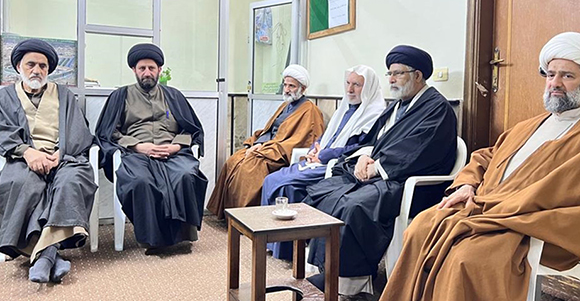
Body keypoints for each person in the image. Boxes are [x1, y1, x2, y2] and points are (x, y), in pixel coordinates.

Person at [372, 32, 580, 301]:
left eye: (567, 76)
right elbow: (485, 157)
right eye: (551, 75)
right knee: (422, 226)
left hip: (537, 225)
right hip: (489, 208)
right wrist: (467, 185)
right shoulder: (531, 125)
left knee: (467, 258)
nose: (555, 84)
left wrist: (502, 208)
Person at [305, 45, 457, 295]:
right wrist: (365, 157)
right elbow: (374, 141)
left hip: (409, 182)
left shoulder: (436, 108)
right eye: (389, 74)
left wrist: (377, 167)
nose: (391, 79)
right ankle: (325, 268)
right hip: (383, 174)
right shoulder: (397, 106)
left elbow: (418, 150)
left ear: (418, 75)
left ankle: (347, 280)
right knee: (324, 190)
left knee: (354, 205)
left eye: (398, 73)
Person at [262, 65, 386, 260]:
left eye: (357, 85)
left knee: (287, 185)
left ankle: (287, 248)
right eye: (348, 83)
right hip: (321, 159)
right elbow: (328, 135)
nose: (350, 89)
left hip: (338, 165)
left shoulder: (375, 114)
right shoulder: (345, 108)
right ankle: (269, 239)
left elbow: (361, 148)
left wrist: (325, 154)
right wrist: (316, 147)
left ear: (368, 87)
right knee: (271, 179)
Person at [0, 38, 97, 283]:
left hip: (64, 157)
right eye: (31, 64)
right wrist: (27, 152)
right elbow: (2, 131)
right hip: (24, 159)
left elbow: (79, 131)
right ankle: (51, 255)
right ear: (19, 67)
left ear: (48, 70)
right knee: (23, 183)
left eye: (42, 66)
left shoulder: (64, 95)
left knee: (72, 181)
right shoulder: (5, 97)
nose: (37, 70)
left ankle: (45, 256)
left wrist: (60, 154)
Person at [95, 43, 207, 251]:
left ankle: (183, 236)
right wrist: (138, 146)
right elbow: (108, 133)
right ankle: (151, 239)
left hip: (173, 153)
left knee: (185, 175)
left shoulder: (173, 96)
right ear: (134, 70)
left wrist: (176, 146)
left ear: (159, 70)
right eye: (142, 68)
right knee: (140, 181)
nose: (147, 73)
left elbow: (190, 128)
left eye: (151, 68)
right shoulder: (120, 96)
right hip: (136, 154)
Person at [207, 64, 324, 220]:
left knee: (248, 169)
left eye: (292, 86)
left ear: (302, 88)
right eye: (285, 85)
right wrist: (257, 144)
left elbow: (302, 141)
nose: (287, 89)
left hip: (279, 153)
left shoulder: (310, 110)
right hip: (268, 146)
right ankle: (230, 215)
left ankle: (247, 219)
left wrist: (264, 149)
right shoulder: (286, 105)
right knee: (234, 161)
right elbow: (269, 130)